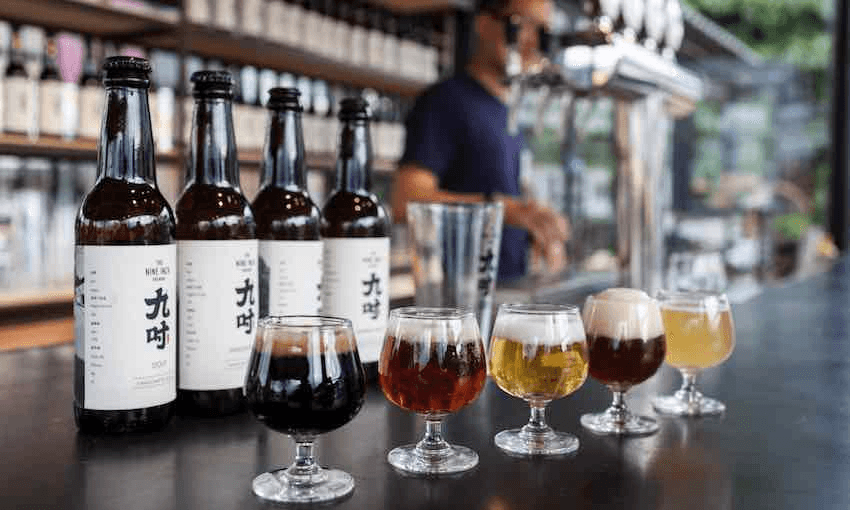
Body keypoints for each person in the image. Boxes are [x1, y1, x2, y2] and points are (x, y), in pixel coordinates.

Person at [391, 0, 570, 282]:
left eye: (542, 31)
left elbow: (506, 196)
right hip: (458, 299)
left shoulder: (508, 109)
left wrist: (537, 229)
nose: (532, 40)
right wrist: (501, 209)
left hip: (508, 291)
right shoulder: (446, 101)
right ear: (483, 23)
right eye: (520, 24)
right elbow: (406, 201)